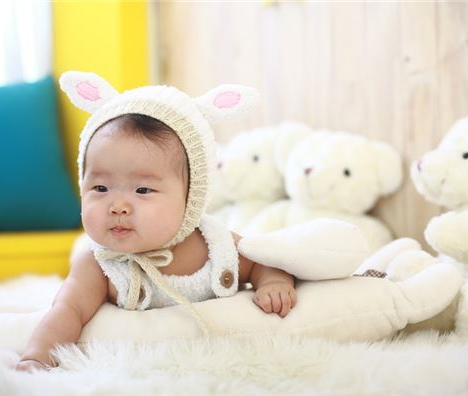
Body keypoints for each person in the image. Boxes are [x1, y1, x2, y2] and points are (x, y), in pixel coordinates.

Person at [15, 73, 296, 372]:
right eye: (100, 188)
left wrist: (274, 282)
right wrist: (37, 356)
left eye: (142, 190)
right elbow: (66, 311)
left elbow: (264, 261)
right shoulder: (99, 265)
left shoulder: (216, 245)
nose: (118, 206)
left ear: (190, 196)